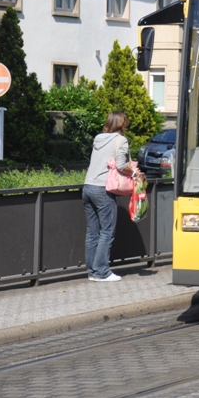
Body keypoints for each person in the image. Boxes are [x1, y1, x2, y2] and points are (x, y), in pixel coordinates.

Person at [82, 111, 139, 282]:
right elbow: (121, 165)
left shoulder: (98, 138)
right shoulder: (121, 140)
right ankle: (102, 272)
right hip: (103, 189)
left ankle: (92, 271)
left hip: (88, 187)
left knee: (92, 232)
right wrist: (134, 172)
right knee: (107, 231)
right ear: (122, 124)